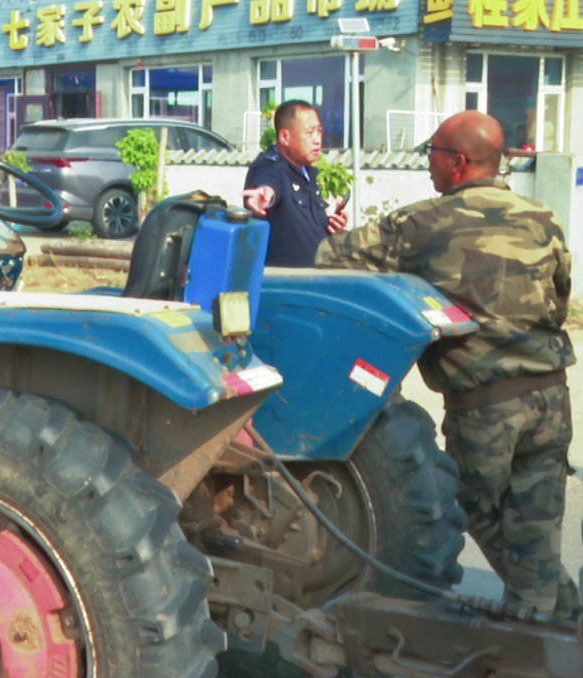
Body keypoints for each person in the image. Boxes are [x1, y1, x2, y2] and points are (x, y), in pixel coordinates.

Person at [315, 110, 579, 619]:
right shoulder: (543, 219)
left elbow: (331, 255)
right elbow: (559, 302)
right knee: (537, 523)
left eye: (432, 153)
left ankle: (545, 623)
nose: (428, 165)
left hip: (487, 405)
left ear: (457, 163)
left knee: (479, 512)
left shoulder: (425, 223)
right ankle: (553, 619)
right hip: (552, 395)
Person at [242, 99, 348, 266]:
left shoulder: (308, 173)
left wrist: (330, 227)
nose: (317, 140)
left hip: (317, 277)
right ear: (285, 137)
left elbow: (301, 228)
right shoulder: (270, 166)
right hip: (287, 283)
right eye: (310, 132)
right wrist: (266, 192)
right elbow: (270, 181)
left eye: (319, 132)